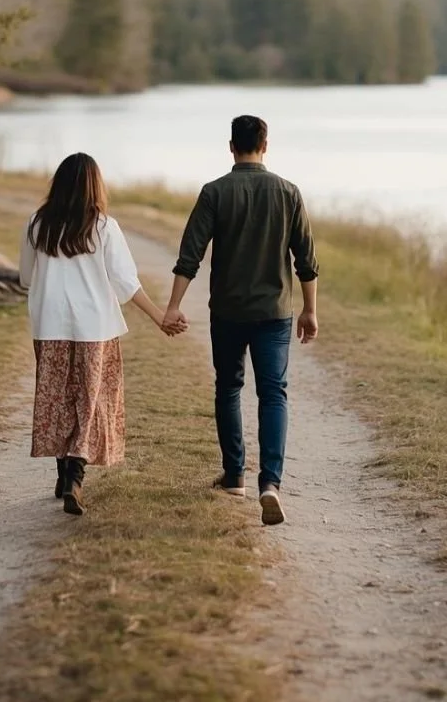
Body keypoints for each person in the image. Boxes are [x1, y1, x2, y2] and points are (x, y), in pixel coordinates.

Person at [163, 115, 319, 526]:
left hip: (229, 313)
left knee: (229, 388)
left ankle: (234, 476)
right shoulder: (289, 193)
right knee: (273, 394)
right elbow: (306, 262)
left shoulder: (214, 192)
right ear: (265, 146)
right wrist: (310, 310)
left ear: (231, 147)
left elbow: (189, 256)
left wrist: (173, 306)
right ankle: (271, 483)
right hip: (274, 315)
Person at [19, 152, 183, 515]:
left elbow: (26, 279)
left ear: (58, 184)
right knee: (90, 400)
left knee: (58, 399)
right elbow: (125, 282)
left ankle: (64, 474)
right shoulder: (104, 227)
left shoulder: (37, 225)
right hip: (94, 329)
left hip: (50, 327)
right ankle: (75, 478)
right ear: (95, 185)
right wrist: (159, 317)